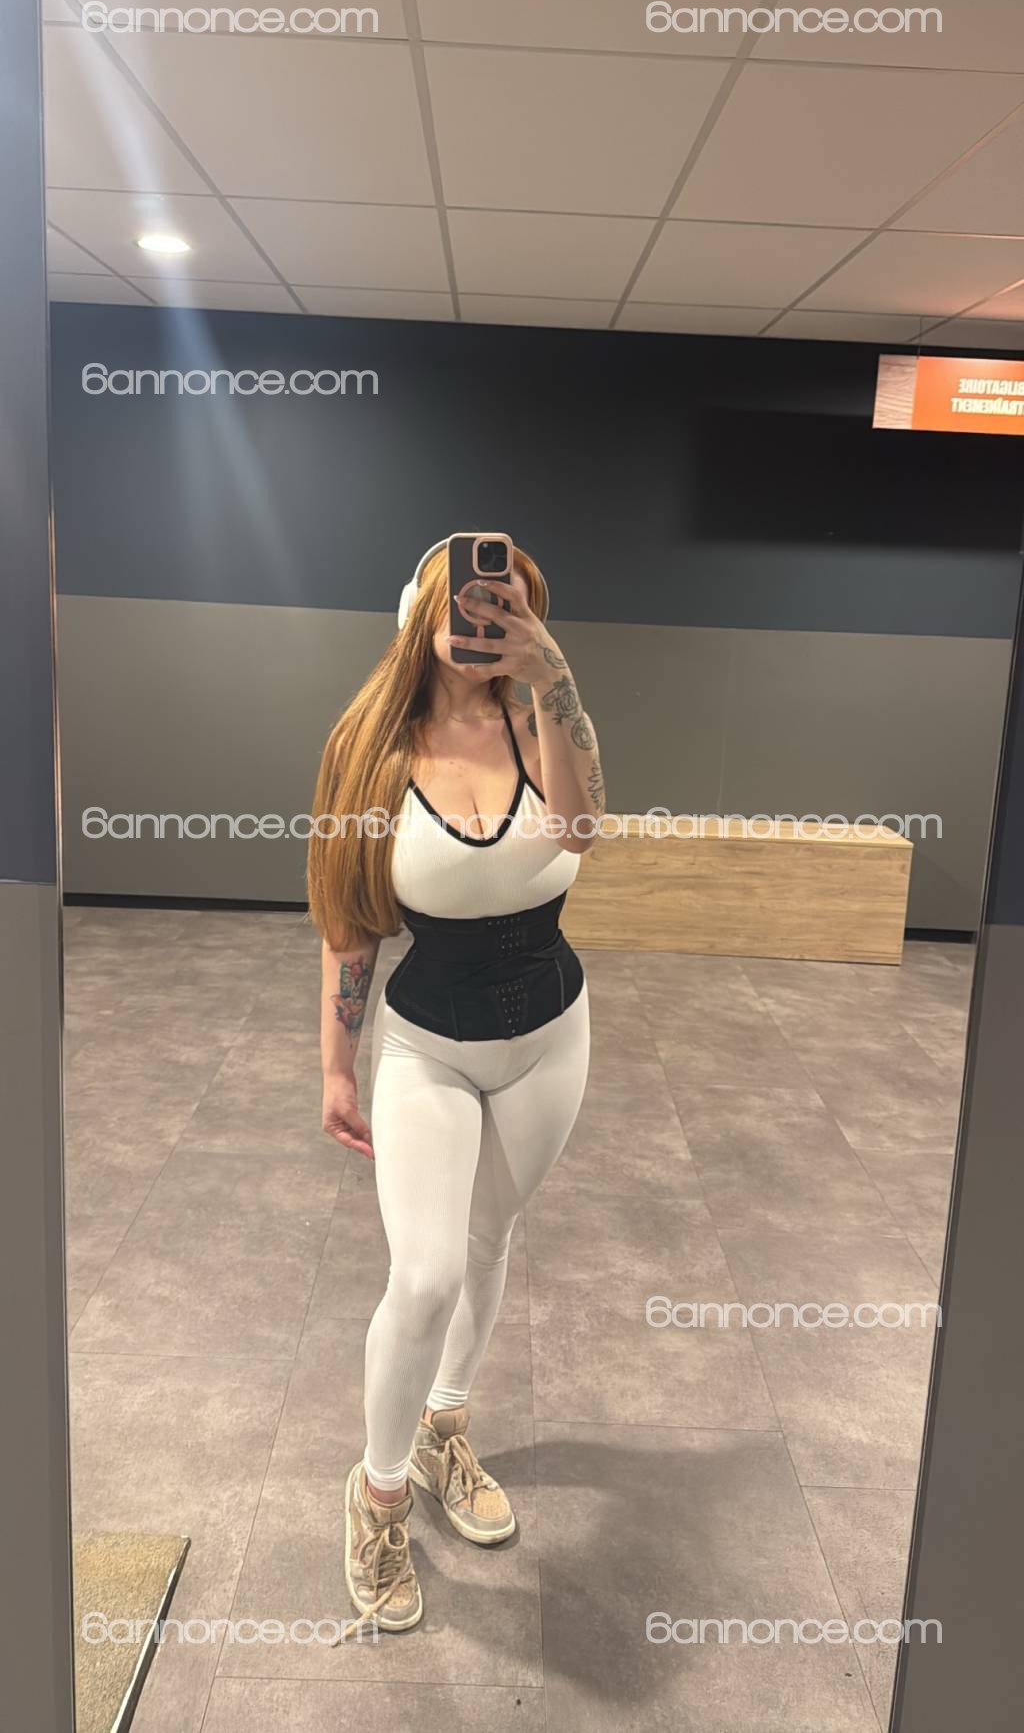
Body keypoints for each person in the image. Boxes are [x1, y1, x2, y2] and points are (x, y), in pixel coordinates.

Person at [307, 538, 603, 1636]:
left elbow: (582, 830)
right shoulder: (369, 748)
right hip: (428, 1046)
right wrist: (337, 1064)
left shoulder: (544, 723)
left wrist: (552, 675)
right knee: (425, 1273)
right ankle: (379, 1491)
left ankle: (443, 1428)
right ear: (424, 609)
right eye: (471, 603)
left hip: (551, 1037)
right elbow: (349, 921)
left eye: (510, 605)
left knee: (488, 1242)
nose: (488, 621)